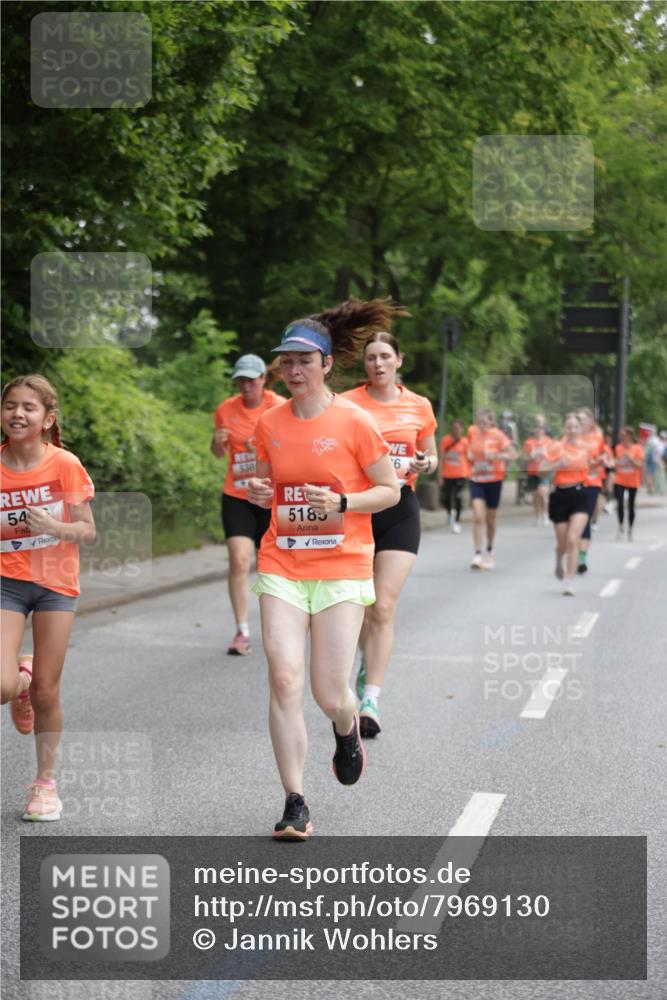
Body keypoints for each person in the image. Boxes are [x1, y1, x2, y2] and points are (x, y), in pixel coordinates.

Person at [246, 300, 401, 840]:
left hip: (341, 566)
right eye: (285, 362)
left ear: (327, 364)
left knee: (329, 692)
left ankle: (345, 726)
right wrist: (260, 491)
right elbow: (267, 486)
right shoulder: (269, 422)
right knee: (284, 677)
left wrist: (343, 504)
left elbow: (391, 490)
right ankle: (295, 801)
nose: (292, 371)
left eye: (303, 362)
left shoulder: (355, 422)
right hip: (282, 561)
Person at [1, 375, 95, 821]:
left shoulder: (64, 465)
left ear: (47, 419)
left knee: (47, 689)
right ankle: (18, 679)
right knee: (4, 685)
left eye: (29, 407)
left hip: (56, 582)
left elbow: (87, 530)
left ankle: (44, 784)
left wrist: (54, 528)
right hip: (7, 581)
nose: (17, 414)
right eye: (10, 406)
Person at [341, 333, 437, 738]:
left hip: (400, 508)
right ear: (364, 365)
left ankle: (371, 699)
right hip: (359, 511)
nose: (378, 364)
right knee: (362, 604)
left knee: (382, 606)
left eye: (385, 356)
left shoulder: (418, 405)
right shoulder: (346, 404)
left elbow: (431, 455)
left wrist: (424, 462)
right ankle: (367, 664)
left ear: (399, 360)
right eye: (371, 358)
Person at [212, 355, 283, 655]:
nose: (246, 385)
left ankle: (280, 626)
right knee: (240, 561)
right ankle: (242, 631)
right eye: (241, 380)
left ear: (263, 379)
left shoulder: (279, 406)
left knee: (272, 566)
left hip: (270, 495)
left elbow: (293, 449)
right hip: (238, 495)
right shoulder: (226, 409)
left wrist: (265, 446)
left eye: (251, 379)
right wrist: (217, 442)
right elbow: (218, 453)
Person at [543, 412, 589, 596]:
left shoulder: (585, 448)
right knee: (562, 543)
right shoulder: (556, 447)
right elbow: (540, 470)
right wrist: (555, 464)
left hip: (579, 493)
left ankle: (569, 580)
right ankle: (558, 560)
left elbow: (593, 466)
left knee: (572, 539)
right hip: (560, 495)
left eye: (575, 427)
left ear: (580, 429)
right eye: (569, 426)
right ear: (564, 428)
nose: (572, 430)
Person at [467, 409, 517, 569]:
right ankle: (477, 553)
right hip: (477, 479)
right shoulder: (472, 432)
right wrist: (469, 455)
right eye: (479, 422)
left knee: (490, 519)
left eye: (485, 422)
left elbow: (513, 454)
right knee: (478, 516)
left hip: (494, 480)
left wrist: (497, 456)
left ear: (491, 422)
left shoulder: (498, 435)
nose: (481, 425)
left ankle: (489, 549)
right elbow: (468, 448)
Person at [576, 407, 606, 575]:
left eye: (584, 419)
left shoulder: (597, 438)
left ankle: (581, 558)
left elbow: (605, 456)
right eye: (578, 420)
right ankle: (574, 552)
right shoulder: (570, 438)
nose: (581, 423)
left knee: (584, 519)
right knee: (572, 521)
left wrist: (601, 459)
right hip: (573, 483)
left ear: (590, 422)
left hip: (592, 483)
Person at [439, 418, 469, 534]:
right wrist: (439, 475)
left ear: (461, 429)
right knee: (446, 498)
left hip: (461, 474)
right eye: (454, 428)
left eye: (458, 428)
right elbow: (441, 458)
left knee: (458, 498)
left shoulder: (465, 442)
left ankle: (457, 521)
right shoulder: (445, 440)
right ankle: (450, 513)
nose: (456, 430)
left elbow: (469, 458)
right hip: (447, 474)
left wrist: (470, 473)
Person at [614, 426, 643, 541]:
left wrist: (630, 459)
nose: (621, 437)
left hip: (632, 481)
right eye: (620, 435)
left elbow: (640, 465)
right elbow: (615, 462)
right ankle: (621, 527)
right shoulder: (618, 447)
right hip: (619, 480)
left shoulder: (637, 448)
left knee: (631, 506)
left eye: (623, 434)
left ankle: (630, 529)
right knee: (620, 504)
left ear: (629, 436)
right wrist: (615, 462)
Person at [522, 415, 551, 526]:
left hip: (544, 472)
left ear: (544, 429)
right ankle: (537, 516)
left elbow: (554, 456)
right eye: (536, 428)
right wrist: (531, 456)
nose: (539, 430)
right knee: (535, 495)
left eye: (541, 428)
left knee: (542, 492)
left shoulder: (548, 442)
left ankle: (545, 515)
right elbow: (524, 457)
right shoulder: (529, 442)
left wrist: (546, 456)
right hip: (532, 471)